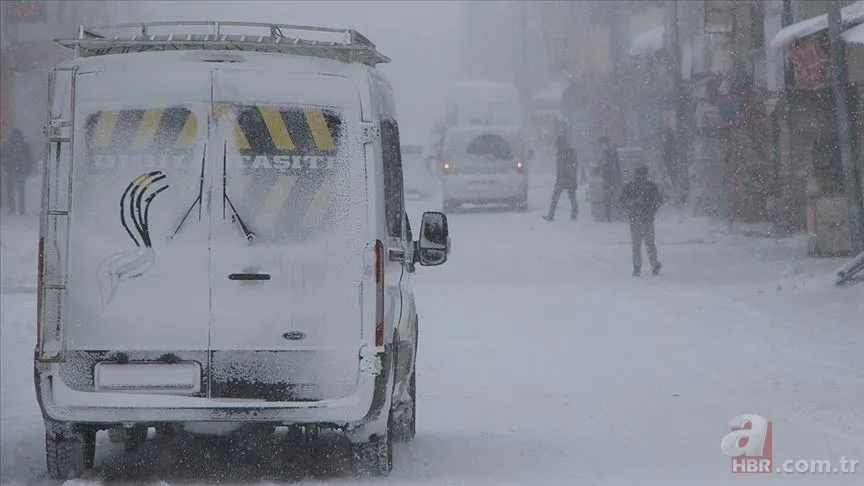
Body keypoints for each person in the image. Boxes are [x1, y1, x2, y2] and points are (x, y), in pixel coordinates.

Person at [619, 165, 663, 276]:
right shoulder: (651, 187)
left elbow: (622, 201)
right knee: (650, 243)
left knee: (636, 244)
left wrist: (631, 208)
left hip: (634, 219)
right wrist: (651, 210)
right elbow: (658, 200)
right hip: (647, 219)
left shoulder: (630, 187)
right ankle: (654, 263)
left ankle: (637, 266)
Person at [543, 135, 579, 222]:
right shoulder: (571, 152)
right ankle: (574, 216)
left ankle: (551, 216)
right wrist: (573, 177)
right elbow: (575, 166)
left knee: (555, 198)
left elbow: (561, 168)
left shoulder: (561, 153)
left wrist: (561, 176)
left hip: (563, 179)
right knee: (572, 198)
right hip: (569, 178)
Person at [0, 128, 35, 215]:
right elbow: (29, 158)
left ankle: (12, 208)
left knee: (10, 190)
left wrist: (6, 167)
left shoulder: (7, 144)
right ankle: (21, 209)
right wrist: (27, 170)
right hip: (20, 169)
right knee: (21, 190)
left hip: (10, 169)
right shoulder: (24, 145)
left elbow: (3, 157)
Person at [597, 136, 622, 222]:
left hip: (610, 178)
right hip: (610, 178)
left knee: (610, 197)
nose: (601, 145)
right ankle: (614, 214)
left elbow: (606, 164)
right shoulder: (609, 151)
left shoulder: (608, 152)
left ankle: (612, 215)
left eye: (602, 143)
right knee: (611, 197)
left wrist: (599, 168)